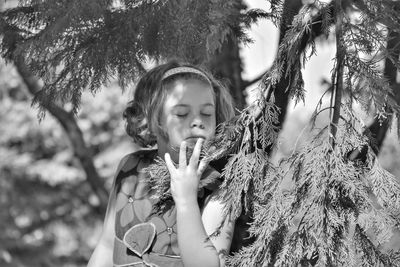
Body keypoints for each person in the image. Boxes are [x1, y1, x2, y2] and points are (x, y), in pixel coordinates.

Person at [88, 61, 236, 267]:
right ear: (152, 121)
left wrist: (186, 201)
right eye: (182, 113)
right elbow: (106, 246)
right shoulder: (129, 168)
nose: (197, 121)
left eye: (207, 113)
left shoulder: (219, 189)